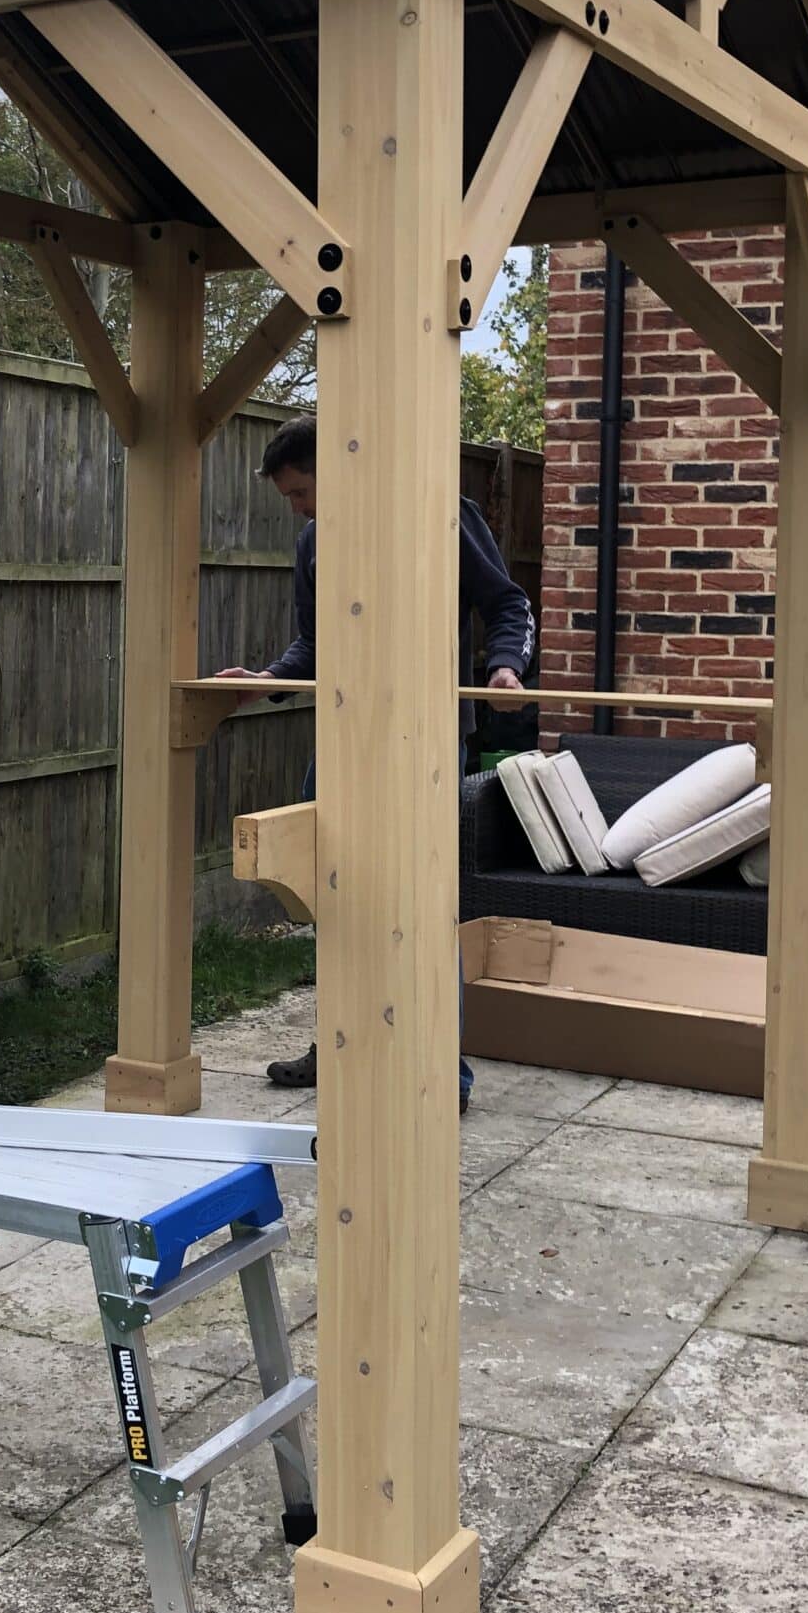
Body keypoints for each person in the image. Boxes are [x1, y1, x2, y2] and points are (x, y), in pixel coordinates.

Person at [215, 415, 535, 1105]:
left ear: (338, 467)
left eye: (301, 492)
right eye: (289, 498)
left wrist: (505, 666)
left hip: (426, 744)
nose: (297, 509)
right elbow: (312, 646)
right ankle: (338, 1045)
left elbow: (508, 604)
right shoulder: (313, 542)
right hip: (341, 739)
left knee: (422, 906)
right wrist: (265, 681)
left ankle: (444, 1074)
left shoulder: (440, 513)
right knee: (335, 900)